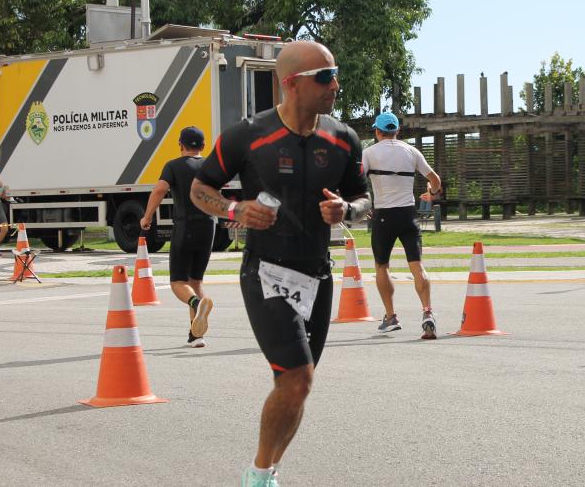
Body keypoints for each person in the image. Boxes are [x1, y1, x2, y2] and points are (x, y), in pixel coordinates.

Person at [190, 40, 370, 487]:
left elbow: (365, 200)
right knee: (297, 379)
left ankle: (266, 471)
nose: (335, 85)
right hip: (266, 271)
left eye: (335, 74)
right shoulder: (248, 135)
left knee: (296, 387)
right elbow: (200, 189)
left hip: (318, 275)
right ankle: (257, 475)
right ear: (291, 83)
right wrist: (236, 210)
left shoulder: (343, 138)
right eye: (324, 77)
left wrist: (347, 210)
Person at [361, 111, 443, 339]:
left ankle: (391, 316)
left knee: (382, 266)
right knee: (417, 266)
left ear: (377, 131)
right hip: (408, 215)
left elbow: (356, 180)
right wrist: (431, 194)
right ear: (397, 131)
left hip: (383, 216)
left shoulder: (369, 153)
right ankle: (427, 312)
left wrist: (362, 204)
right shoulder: (411, 151)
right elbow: (435, 180)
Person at [140, 126, 215, 349]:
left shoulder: (173, 166)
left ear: (180, 144)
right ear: (203, 145)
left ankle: (197, 303)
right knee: (195, 281)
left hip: (185, 226)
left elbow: (159, 190)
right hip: (208, 226)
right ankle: (196, 335)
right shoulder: (210, 166)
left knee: (178, 282)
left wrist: (147, 217)